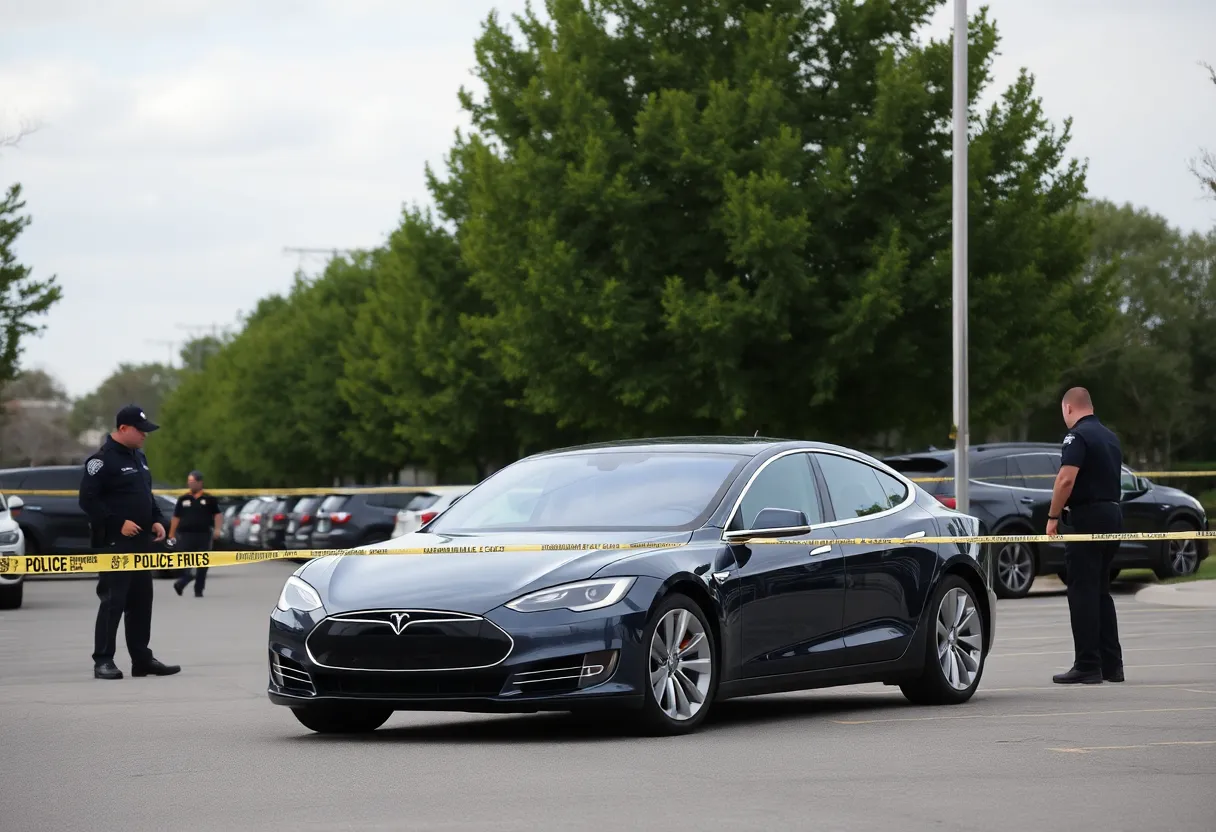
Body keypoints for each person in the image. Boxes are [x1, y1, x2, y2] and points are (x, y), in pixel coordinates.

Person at [79, 404, 181, 681]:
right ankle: (103, 661)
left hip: (141, 544)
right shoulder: (101, 460)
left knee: (141, 601)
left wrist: (157, 519)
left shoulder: (139, 456)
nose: (145, 436)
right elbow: (88, 500)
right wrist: (116, 523)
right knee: (113, 601)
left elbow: (146, 495)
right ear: (123, 429)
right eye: (140, 430)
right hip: (115, 544)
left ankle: (142, 660)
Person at [1046, 387, 1124, 685]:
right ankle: (1112, 665)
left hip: (1087, 519)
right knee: (1101, 590)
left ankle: (1088, 664)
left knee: (1082, 591)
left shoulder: (1076, 436)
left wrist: (1053, 517)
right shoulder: (1109, 436)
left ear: (1068, 408)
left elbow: (1066, 479)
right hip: (1112, 515)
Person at [170, 470, 221, 597]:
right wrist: (171, 533)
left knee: (202, 563)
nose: (190, 485)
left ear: (200, 483)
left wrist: (217, 529)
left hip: (203, 535)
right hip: (186, 535)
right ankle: (183, 581)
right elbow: (176, 517)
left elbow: (218, 515)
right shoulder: (183, 499)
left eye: (193, 482)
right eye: (189, 482)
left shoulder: (209, 499)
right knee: (185, 561)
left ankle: (199, 589)